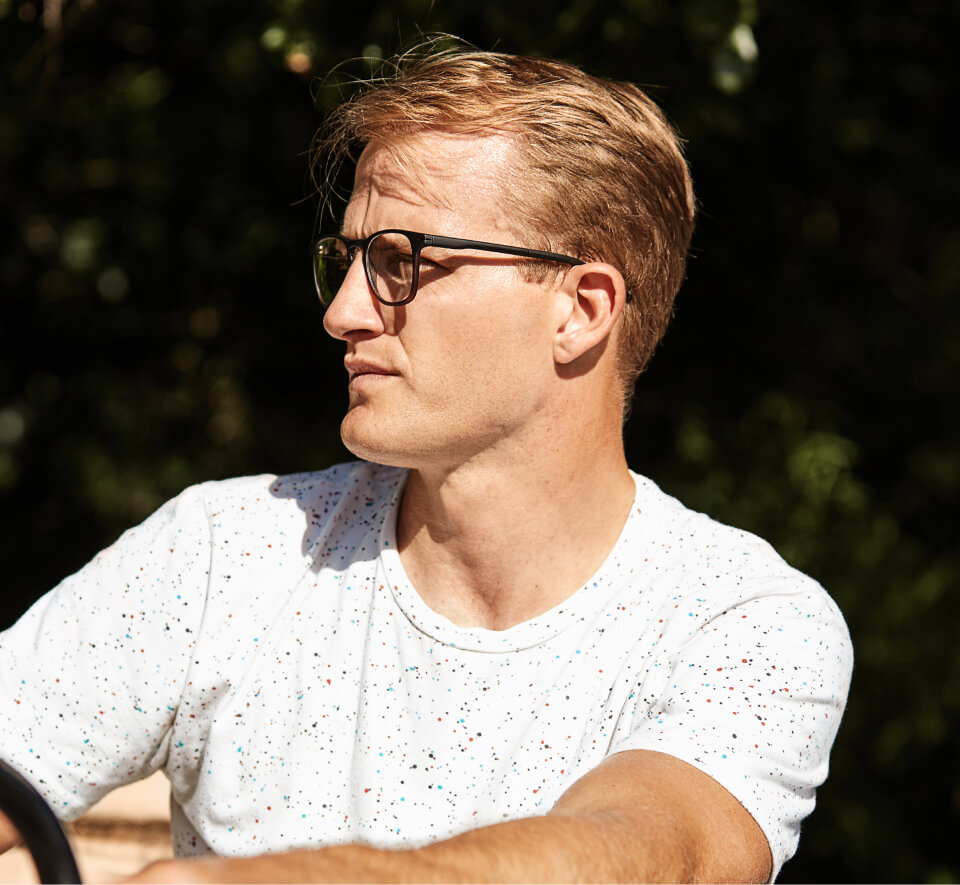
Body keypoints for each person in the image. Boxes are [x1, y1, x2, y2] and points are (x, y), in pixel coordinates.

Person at [0, 46, 852, 882]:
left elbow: (651, 852)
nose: (343, 312)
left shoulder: (744, 622)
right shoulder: (227, 554)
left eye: (402, 261)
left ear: (581, 310)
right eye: (347, 260)